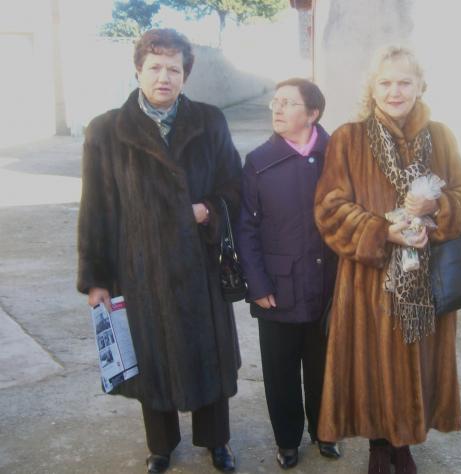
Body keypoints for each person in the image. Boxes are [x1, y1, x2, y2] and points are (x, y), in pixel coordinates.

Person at [77, 29, 242, 474]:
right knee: (152, 359)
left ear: (185, 75)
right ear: (138, 70)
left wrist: (208, 209)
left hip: (200, 266)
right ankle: (161, 446)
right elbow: (96, 209)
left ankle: (217, 441)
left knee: (209, 355)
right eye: (154, 67)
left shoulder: (209, 121)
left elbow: (235, 184)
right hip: (140, 268)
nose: (164, 77)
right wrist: (96, 279)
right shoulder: (106, 130)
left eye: (174, 69)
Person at [313, 45, 461, 474]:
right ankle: (378, 445)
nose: (395, 91)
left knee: (418, 364)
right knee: (371, 368)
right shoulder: (349, 138)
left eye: (405, 82)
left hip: (427, 282)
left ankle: (404, 444)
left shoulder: (441, 137)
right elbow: (329, 208)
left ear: (420, 86)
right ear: (372, 88)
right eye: (385, 82)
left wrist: (437, 206)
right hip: (369, 284)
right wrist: (380, 231)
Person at [237, 78, 340, 469]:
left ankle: (325, 432)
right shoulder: (259, 161)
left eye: (288, 103)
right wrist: (257, 284)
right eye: (275, 102)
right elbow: (246, 228)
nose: (277, 109)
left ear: (313, 113)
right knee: (280, 371)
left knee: (324, 367)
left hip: (328, 284)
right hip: (277, 286)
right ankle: (287, 440)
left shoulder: (337, 156)